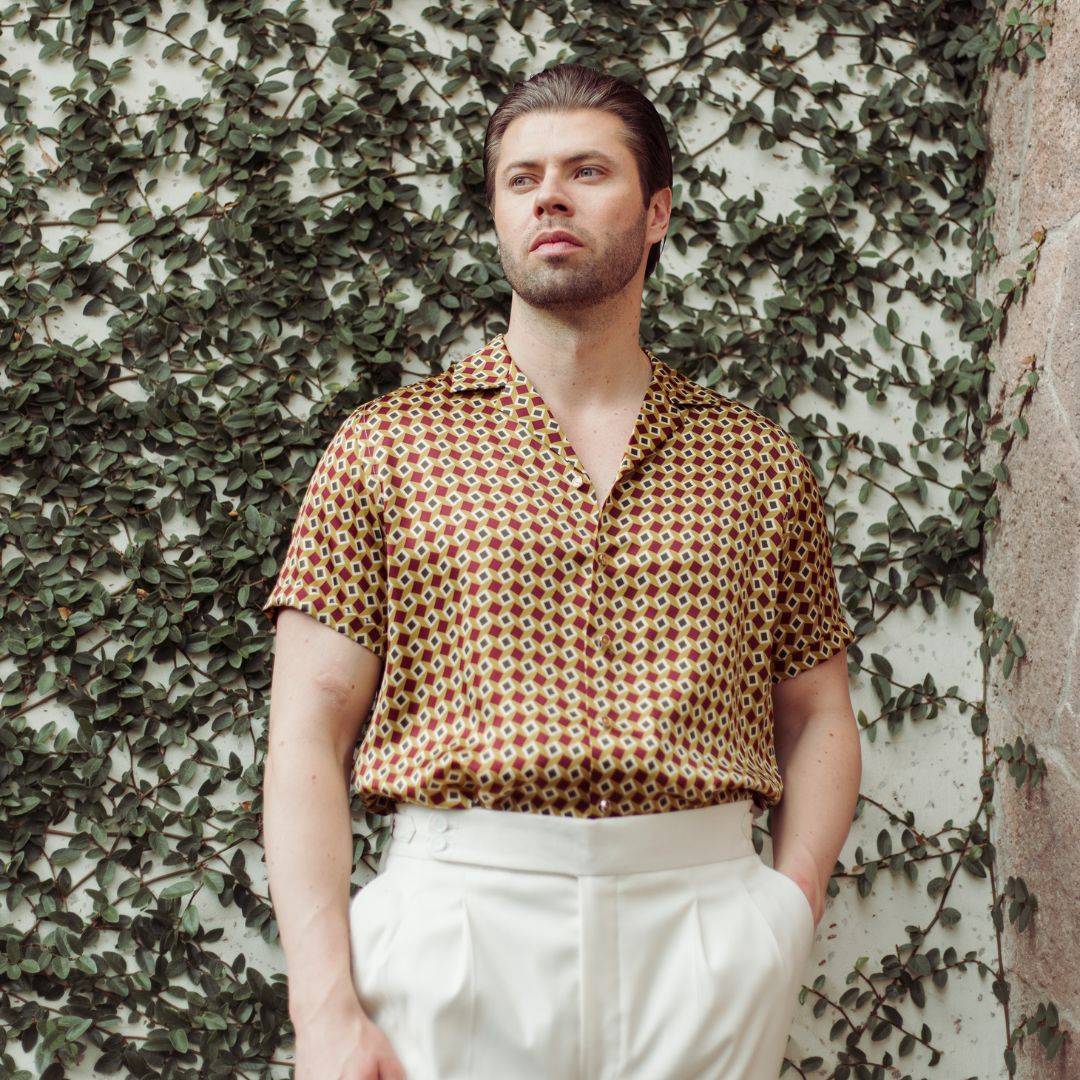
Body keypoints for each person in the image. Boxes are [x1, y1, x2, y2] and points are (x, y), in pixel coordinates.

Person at [260, 61, 861, 1080]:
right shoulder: (386, 448)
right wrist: (323, 1007)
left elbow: (817, 715)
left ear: (657, 210)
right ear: (496, 215)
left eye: (588, 170)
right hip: (458, 924)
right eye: (521, 177)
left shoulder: (758, 464)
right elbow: (308, 731)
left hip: (707, 931)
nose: (550, 194)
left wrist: (784, 911)